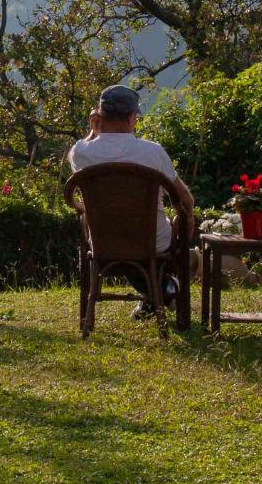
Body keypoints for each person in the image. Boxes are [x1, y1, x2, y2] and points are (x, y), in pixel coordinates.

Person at [67, 84, 189, 318]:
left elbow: (84, 147)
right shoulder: (153, 152)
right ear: (133, 117)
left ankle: (157, 294)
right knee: (176, 222)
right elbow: (185, 200)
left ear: (99, 117)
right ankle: (164, 288)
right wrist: (186, 217)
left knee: (112, 228)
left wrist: (93, 132)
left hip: (104, 241)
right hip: (151, 241)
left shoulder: (81, 151)